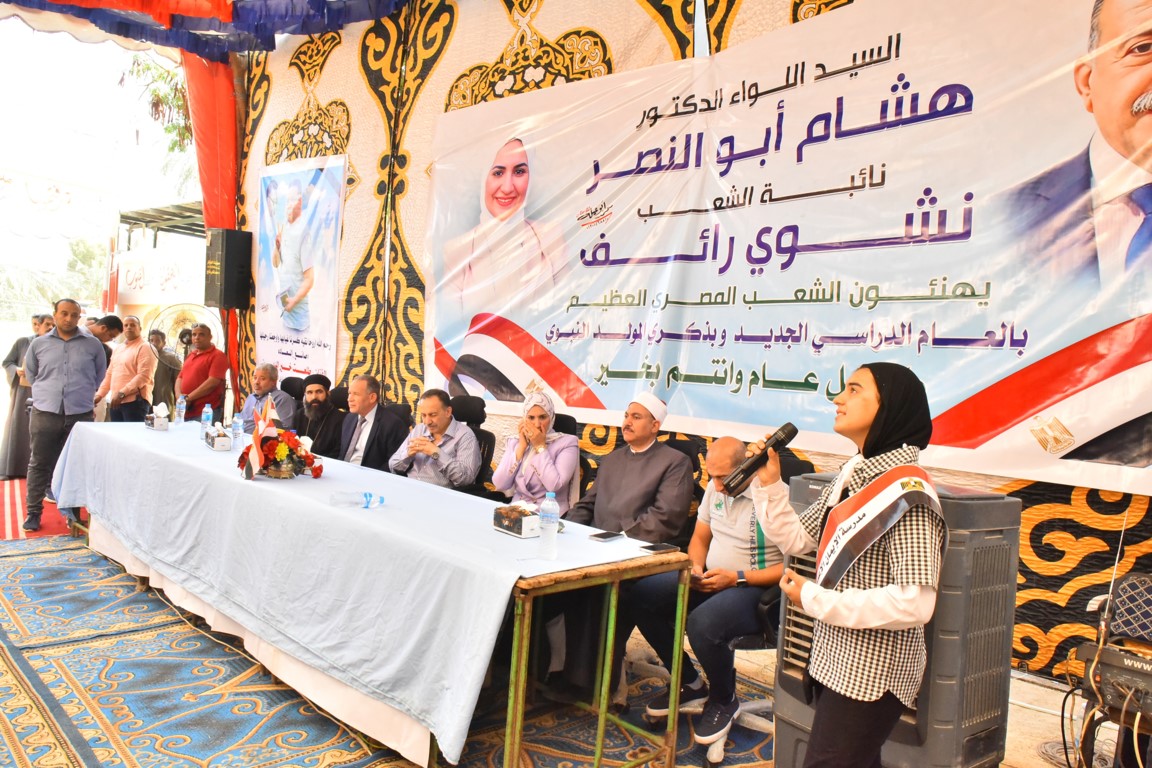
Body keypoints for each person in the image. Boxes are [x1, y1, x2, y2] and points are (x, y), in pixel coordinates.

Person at [751, 363, 947, 768]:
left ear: (889, 407)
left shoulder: (907, 494)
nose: (838, 398)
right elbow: (797, 539)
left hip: (872, 674)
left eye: (854, 390)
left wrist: (814, 599)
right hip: (834, 659)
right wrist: (769, 483)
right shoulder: (854, 473)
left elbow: (915, 603)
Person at [621, 436, 784, 744]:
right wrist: (695, 568)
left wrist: (736, 578)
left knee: (702, 623)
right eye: (713, 476)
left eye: (724, 477)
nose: (717, 485)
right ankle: (689, 682)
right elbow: (699, 538)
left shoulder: (773, 498)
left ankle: (724, 699)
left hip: (756, 588)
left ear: (748, 467)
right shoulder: (715, 489)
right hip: (712, 578)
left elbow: (792, 567)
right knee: (640, 594)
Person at [442, 138, 567, 320]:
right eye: (498, 173)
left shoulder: (550, 237)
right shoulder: (458, 250)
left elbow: (567, 312)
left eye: (519, 172)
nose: (508, 188)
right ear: (484, 177)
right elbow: (448, 326)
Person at [564, 392, 694, 542]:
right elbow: (588, 504)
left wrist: (619, 539)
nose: (628, 422)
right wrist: (565, 528)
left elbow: (665, 518)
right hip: (594, 539)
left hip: (632, 544)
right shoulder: (612, 458)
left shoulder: (676, 462)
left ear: (654, 426)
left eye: (636, 417)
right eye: (626, 416)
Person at [23, 299, 107, 530]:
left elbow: (99, 376)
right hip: (45, 412)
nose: (69, 319)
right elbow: (32, 375)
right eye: (64, 313)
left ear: (79, 317)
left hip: (79, 413)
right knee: (39, 463)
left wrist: (80, 393)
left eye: (74, 315)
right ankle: (33, 513)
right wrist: (49, 392)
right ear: (55, 314)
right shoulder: (39, 344)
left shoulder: (93, 345)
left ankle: (74, 515)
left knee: (76, 464)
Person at [491, 392, 579, 514]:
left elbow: (555, 486)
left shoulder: (567, 443)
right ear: (524, 419)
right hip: (517, 511)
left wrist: (540, 447)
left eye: (542, 417)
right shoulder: (515, 442)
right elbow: (499, 483)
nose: (537, 424)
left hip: (549, 515)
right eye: (531, 418)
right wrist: (521, 448)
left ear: (551, 417)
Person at [388, 389, 480, 488]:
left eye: (433, 415)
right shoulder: (420, 429)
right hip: (409, 487)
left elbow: (466, 480)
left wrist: (436, 453)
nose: (427, 422)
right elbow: (392, 465)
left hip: (440, 494)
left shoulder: (465, 436)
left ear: (448, 412)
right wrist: (408, 454)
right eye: (424, 415)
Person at [0, 314, 52, 478]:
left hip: (46, 392)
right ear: (38, 325)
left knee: (41, 430)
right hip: (24, 391)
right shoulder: (23, 342)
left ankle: (37, 471)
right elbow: (7, 362)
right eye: (47, 324)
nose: (50, 328)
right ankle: (13, 468)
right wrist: (16, 370)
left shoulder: (56, 345)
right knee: (20, 426)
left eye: (53, 325)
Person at [339, 374, 407, 471]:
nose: (349, 399)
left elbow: (393, 464)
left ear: (372, 397)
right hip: (343, 471)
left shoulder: (392, 424)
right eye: (349, 393)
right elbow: (342, 454)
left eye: (356, 394)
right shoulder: (349, 418)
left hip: (371, 477)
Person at [93, 316, 155, 423]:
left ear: (140, 328)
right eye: (126, 325)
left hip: (135, 402)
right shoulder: (119, 348)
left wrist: (122, 393)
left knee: (132, 433)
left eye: (132, 325)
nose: (129, 327)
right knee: (117, 433)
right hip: (116, 402)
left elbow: (144, 376)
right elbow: (110, 374)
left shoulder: (145, 347)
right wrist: (99, 395)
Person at [273, 180, 314, 331]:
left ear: (300, 202)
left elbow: (309, 279)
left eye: (292, 200)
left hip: (300, 323)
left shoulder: (303, 233)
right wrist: (277, 247)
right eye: (287, 201)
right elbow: (275, 264)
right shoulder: (284, 229)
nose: (288, 205)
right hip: (285, 318)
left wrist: (294, 301)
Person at [175, 324, 228, 420]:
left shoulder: (218, 356)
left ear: (210, 337)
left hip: (205, 413)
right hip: (184, 411)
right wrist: (179, 397)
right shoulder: (191, 355)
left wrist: (188, 398)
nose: (197, 338)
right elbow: (180, 377)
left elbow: (212, 383)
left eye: (201, 334)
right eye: (194, 334)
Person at [238, 363, 297, 432]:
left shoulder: (282, 399)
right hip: (240, 435)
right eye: (255, 378)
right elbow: (240, 421)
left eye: (262, 379)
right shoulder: (251, 398)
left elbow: (283, 430)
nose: (256, 382)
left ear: (273, 382)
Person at [298, 373, 344, 459]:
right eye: (309, 392)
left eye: (319, 392)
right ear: (305, 395)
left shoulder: (341, 419)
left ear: (328, 393)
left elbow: (338, 452)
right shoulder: (299, 415)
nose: (314, 397)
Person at [148, 329, 183, 414]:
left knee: (163, 420)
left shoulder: (171, 359)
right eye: (151, 340)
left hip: (164, 399)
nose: (153, 343)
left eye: (157, 341)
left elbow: (178, 381)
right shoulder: (145, 357)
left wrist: (178, 401)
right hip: (147, 399)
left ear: (164, 343)